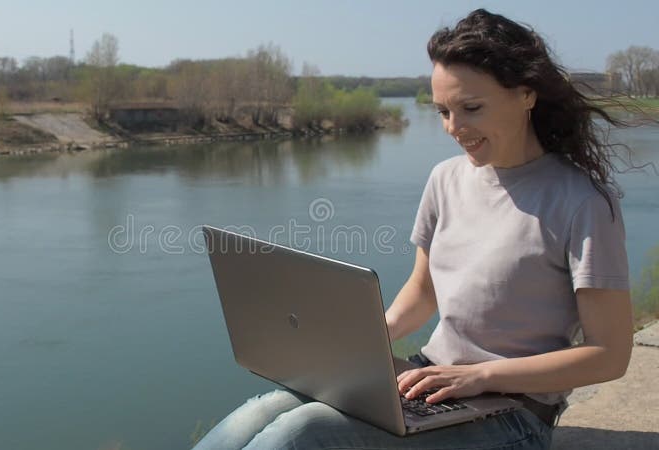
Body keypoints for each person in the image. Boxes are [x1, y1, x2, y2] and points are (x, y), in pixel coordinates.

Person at [194, 9, 633, 450]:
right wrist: (354, 346)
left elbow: (609, 355)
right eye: (443, 111)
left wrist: (479, 375)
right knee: (259, 413)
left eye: (471, 108)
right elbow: (423, 295)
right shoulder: (445, 179)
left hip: (514, 415)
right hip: (429, 382)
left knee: (300, 434)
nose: (453, 128)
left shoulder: (583, 202)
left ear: (526, 94)